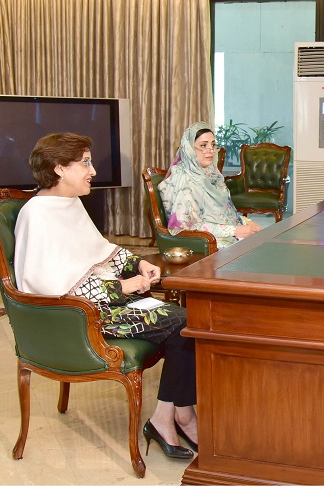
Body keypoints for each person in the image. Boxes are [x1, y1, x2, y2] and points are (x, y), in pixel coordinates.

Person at [14, 133, 199, 459]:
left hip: (105, 303)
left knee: (186, 319)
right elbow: (52, 288)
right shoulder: (36, 215)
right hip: (80, 318)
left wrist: (138, 263)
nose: (92, 170)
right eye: (84, 162)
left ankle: (172, 415)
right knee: (184, 322)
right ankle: (174, 417)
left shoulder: (69, 204)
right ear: (59, 168)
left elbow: (102, 253)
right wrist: (123, 287)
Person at [158, 121, 262, 248]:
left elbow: (227, 214)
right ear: (189, 148)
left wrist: (246, 222)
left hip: (221, 235)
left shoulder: (212, 175)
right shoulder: (184, 181)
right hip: (204, 243)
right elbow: (185, 227)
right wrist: (234, 230)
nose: (210, 150)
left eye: (213, 145)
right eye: (203, 145)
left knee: (263, 242)